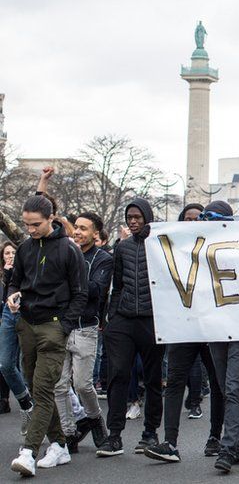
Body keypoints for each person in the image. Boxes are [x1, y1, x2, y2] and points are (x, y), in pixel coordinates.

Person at [8, 195, 87, 476]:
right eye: (26, 224)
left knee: (42, 389)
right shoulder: (24, 248)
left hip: (54, 326)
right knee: (34, 386)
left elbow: (81, 293)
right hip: (27, 323)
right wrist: (12, 296)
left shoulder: (69, 249)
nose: (30, 230)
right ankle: (60, 445)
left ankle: (29, 452)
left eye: (36, 224)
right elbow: (15, 281)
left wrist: (64, 326)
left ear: (51, 218)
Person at [144, 203, 226, 463]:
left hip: (214, 325)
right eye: (188, 219)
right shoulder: (173, 247)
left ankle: (215, 436)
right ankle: (170, 442)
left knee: (218, 383)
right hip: (184, 323)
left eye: (198, 218)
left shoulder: (222, 246)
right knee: (176, 380)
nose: (192, 222)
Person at [97, 198, 164, 458]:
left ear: (147, 217)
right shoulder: (122, 248)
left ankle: (150, 433)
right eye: (129, 217)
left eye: (137, 217)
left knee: (152, 378)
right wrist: (111, 317)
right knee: (118, 376)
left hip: (152, 321)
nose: (133, 221)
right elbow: (116, 285)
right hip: (123, 320)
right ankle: (114, 436)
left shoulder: (160, 245)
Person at [199, 201, 239, 474]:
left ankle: (228, 448)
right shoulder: (200, 246)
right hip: (216, 327)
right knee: (227, 390)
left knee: (234, 389)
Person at [56, 212, 112, 454]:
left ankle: (95, 419)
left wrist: (74, 266)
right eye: (76, 227)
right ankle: (69, 433)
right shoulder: (62, 252)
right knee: (59, 385)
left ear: (95, 234)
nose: (77, 232)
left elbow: (96, 290)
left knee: (82, 384)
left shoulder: (103, 259)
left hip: (85, 327)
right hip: (59, 326)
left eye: (84, 229)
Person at [0, 240, 34, 436]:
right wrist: (8, 273)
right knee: (5, 364)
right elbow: (8, 293)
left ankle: (42, 414)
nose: (11, 255)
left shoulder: (31, 255)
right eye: (7, 253)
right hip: (9, 312)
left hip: (29, 311)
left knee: (28, 365)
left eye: (14, 252)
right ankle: (25, 403)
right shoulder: (5, 271)